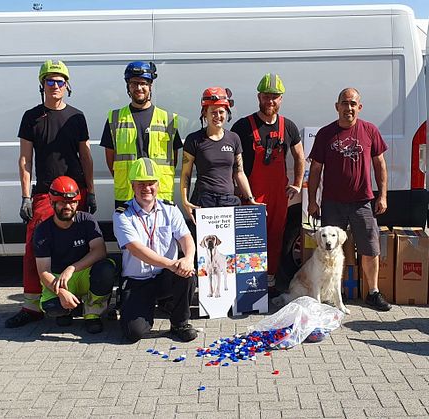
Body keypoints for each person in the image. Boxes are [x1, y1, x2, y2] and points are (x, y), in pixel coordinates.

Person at [6, 60, 96, 328]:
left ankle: (83, 301)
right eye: (49, 81)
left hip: (75, 192)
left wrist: (90, 191)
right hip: (46, 194)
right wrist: (25, 196)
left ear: (67, 86)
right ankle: (32, 305)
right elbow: (25, 159)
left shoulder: (77, 117)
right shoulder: (31, 117)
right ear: (41, 85)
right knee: (34, 247)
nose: (54, 86)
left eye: (59, 82)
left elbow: (86, 156)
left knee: (81, 244)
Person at [307, 87, 391, 312]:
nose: (349, 108)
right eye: (344, 103)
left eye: (353, 104)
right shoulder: (326, 134)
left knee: (370, 248)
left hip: (363, 201)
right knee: (328, 248)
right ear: (337, 107)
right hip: (332, 202)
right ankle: (333, 294)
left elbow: (379, 164)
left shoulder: (370, 131)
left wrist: (382, 195)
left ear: (359, 107)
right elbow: (315, 169)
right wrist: (312, 201)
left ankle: (372, 293)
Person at [231, 73, 305, 290]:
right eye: (266, 97)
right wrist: (236, 189)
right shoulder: (243, 126)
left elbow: (300, 156)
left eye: (274, 97)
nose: (270, 101)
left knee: (275, 238)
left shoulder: (288, 126)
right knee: (249, 240)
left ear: (281, 98)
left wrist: (298, 184)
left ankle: (270, 281)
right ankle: (247, 285)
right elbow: (233, 162)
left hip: (277, 196)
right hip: (251, 195)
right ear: (259, 97)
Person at [113, 158, 198, 342]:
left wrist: (188, 258)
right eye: (141, 184)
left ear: (158, 184)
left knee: (188, 273)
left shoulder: (170, 208)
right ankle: (140, 306)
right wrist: (172, 264)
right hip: (138, 280)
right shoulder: (122, 214)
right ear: (132, 185)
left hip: (165, 276)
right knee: (134, 333)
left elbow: (185, 237)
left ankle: (179, 323)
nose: (147, 188)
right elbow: (136, 250)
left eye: (151, 183)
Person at [34, 176, 115, 333]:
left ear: (77, 202)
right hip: (59, 280)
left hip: (82, 274)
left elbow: (100, 251)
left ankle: (92, 313)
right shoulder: (43, 230)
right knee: (54, 308)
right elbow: (43, 270)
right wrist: (61, 292)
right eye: (62, 202)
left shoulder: (87, 220)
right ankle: (69, 308)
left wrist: (72, 268)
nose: (68, 206)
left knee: (106, 268)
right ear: (52, 202)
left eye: (72, 202)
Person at [100, 61, 183, 209]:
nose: (138, 88)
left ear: (150, 86)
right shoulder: (115, 118)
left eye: (143, 83)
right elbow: (111, 159)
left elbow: (173, 159)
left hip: (160, 195)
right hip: (127, 194)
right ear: (128, 87)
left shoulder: (168, 119)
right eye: (134, 83)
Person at [179, 87, 261, 221]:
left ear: (227, 113)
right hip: (203, 202)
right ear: (204, 113)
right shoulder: (193, 139)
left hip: (228, 202)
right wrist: (185, 202)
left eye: (221, 112)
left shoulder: (234, 138)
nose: (218, 116)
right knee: (205, 242)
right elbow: (186, 174)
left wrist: (251, 199)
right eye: (213, 112)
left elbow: (239, 172)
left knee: (229, 242)